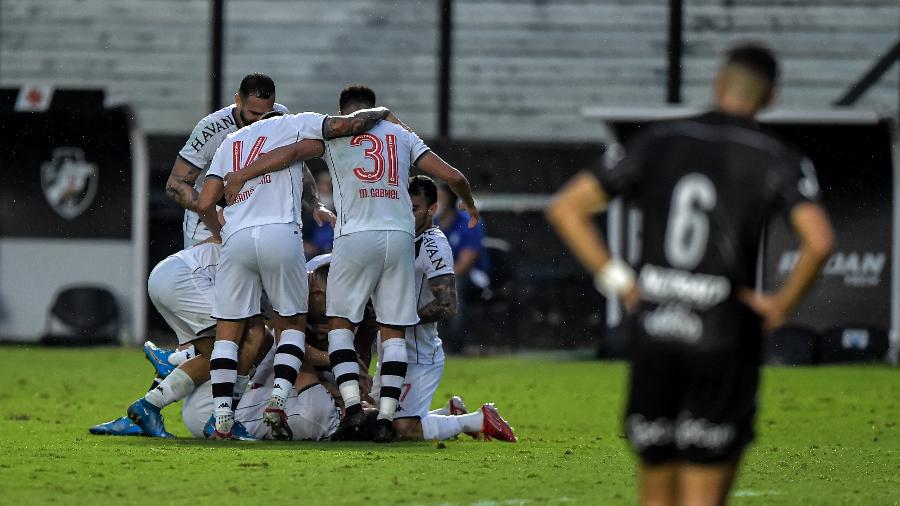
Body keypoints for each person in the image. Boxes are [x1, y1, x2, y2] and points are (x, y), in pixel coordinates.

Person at [546, 43, 834, 506]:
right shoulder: (774, 155)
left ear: (718, 83)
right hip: (722, 334)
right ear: (771, 97)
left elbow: (566, 209)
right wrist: (779, 306)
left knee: (655, 493)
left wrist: (623, 283)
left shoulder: (660, 141)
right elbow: (819, 242)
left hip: (656, 328)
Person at [221, 85, 479, 442]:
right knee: (393, 332)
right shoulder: (401, 134)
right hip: (399, 239)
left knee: (341, 325)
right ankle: (386, 418)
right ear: (373, 109)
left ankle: (355, 409)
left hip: (354, 236)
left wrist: (242, 174)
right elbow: (453, 177)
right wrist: (468, 202)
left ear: (343, 113)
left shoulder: (334, 136)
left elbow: (291, 153)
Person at [196, 104, 392, 440]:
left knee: (228, 332)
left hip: (237, 238)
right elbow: (332, 135)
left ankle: (223, 418)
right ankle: (277, 402)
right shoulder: (294, 125)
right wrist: (381, 112)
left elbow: (204, 203)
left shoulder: (230, 143)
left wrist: (221, 232)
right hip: (279, 233)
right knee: (291, 326)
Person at [370, 175, 516, 442]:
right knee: (369, 418)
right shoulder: (396, 238)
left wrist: (401, 319)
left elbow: (448, 305)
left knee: (400, 430)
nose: (405, 214)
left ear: (431, 209)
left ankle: (478, 419)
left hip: (419, 357)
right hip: (391, 353)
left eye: (413, 208)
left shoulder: (433, 246)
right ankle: (447, 413)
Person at [166, 73, 288, 248]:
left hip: (253, 220)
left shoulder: (279, 117)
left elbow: (294, 160)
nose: (261, 120)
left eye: (266, 113)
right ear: (238, 100)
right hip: (207, 226)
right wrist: (218, 216)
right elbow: (174, 185)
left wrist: (315, 204)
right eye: (254, 113)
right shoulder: (211, 129)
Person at [436, 182, 489, 353]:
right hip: (440, 276)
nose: (434, 203)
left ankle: (455, 346)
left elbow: (465, 264)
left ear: (450, 200)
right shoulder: (431, 224)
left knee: (454, 286)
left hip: (473, 276)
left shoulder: (468, 222)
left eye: (439, 199)